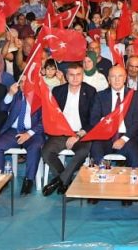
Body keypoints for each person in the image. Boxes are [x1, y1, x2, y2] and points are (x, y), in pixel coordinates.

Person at [41, 64, 97, 196]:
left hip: (81, 133)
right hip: (61, 133)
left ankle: (58, 181)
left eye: (78, 74)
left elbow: (94, 118)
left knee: (82, 152)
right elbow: (51, 115)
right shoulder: (57, 91)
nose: (75, 78)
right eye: (72, 75)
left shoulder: (90, 91)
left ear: (82, 76)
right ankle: (66, 180)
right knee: (46, 152)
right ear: (66, 76)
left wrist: (78, 135)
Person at [0, 79, 44, 196]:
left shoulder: (40, 98)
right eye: (22, 82)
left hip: (33, 133)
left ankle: (29, 180)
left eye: (28, 82)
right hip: (13, 131)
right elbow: (2, 108)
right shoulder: (16, 95)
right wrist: (10, 94)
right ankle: (1, 179)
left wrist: (29, 133)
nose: (24, 85)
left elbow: (44, 121)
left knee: (35, 147)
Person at [87, 65, 138, 167]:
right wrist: (105, 122)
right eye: (113, 77)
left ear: (125, 78)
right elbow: (94, 119)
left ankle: (133, 181)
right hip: (105, 137)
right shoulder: (100, 96)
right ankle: (98, 179)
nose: (117, 80)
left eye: (120, 76)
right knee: (95, 147)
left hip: (126, 137)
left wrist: (124, 139)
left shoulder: (134, 95)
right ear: (108, 79)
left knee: (134, 155)